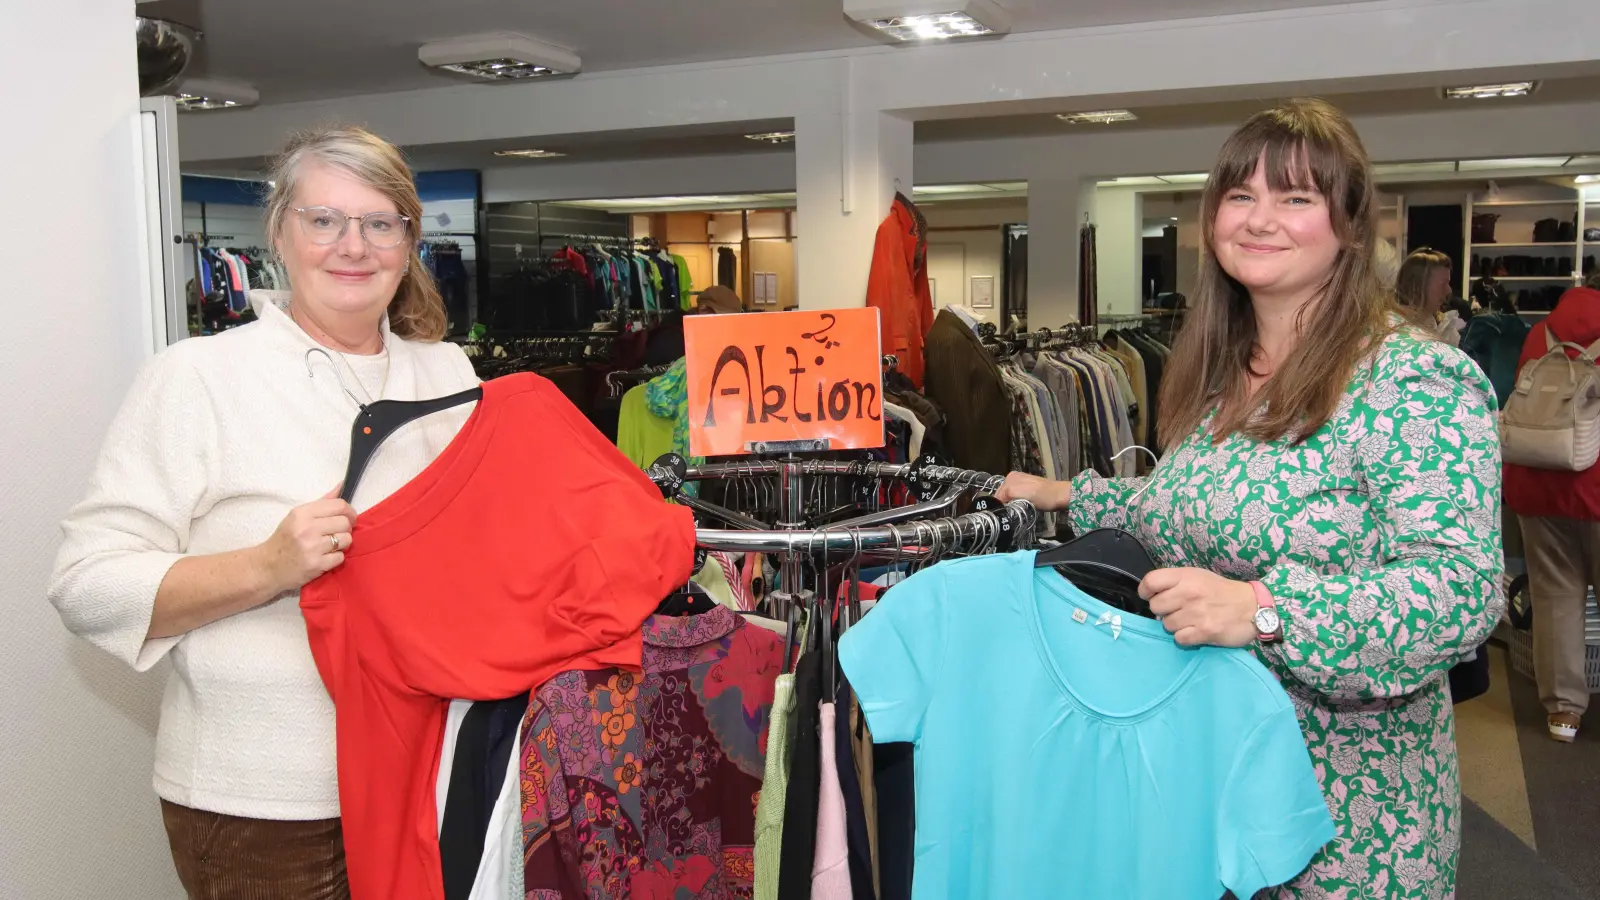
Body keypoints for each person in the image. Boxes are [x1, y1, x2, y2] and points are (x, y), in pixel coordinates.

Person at [998, 99, 1503, 898]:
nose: (1261, 219)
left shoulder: (1410, 380)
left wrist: (1265, 612)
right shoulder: (1223, 377)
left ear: (1348, 224)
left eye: (1296, 198)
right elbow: (1187, 508)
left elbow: (1462, 590)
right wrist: (1067, 494)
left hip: (1348, 807)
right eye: (1242, 196)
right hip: (1205, 773)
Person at [48, 125, 480, 898]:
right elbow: (85, 583)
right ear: (279, 232)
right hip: (267, 802)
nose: (353, 245)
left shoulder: (446, 372)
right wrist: (267, 567)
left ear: (409, 240)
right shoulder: (197, 378)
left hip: (434, 774)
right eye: (324, 220)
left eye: (380, 223)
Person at [1506, 270, 1600, 743]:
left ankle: (1563, 712)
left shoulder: (1542, 332)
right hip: (1595, 486)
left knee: (1556, 597)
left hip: (1538, 484)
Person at [1395, 248, 1463, 345]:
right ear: (1417, 286)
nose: (1449, 290)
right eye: (1442, 284)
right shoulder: (1391, 329)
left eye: (1448, 283)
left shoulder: (1444, 327)